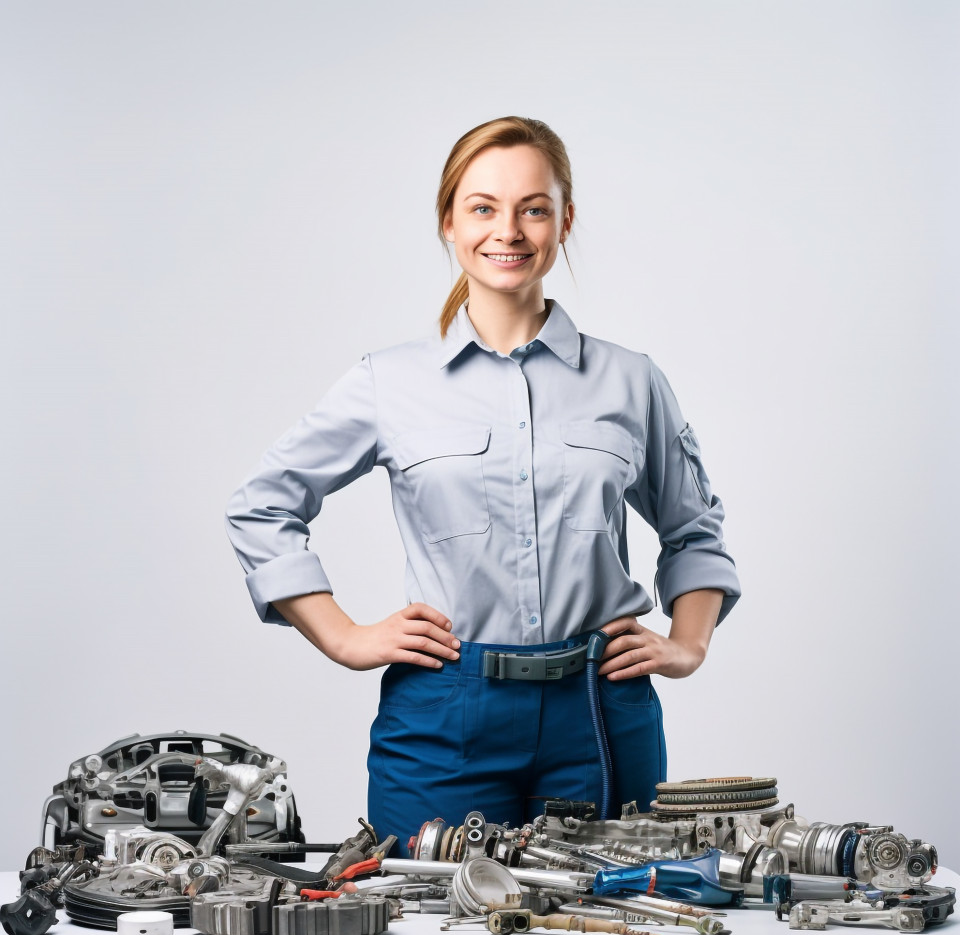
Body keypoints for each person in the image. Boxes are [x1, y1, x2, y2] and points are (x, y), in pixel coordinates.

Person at [225, 116, 740, 853]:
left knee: (611, 919)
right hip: (444, 710)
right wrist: (342, 637)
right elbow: (261, 505)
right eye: (483, 207)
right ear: (449, 222)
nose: (510, 230)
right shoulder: (389, 383)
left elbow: (694, 529)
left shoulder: (631, 380)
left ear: (564, 221)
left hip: (600, 706)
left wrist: (688, 645)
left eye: (534, 207)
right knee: (428, 920)